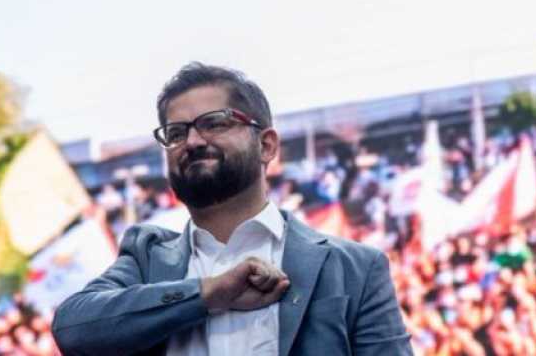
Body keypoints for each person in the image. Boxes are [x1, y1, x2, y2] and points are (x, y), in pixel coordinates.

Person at [52, 62, 412, 355]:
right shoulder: (147, 260)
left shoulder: (354, 268)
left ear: (266, 145)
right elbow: (73, 328)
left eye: (215, 123)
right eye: (176, 132)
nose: (192, 141)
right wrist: (207, 294)